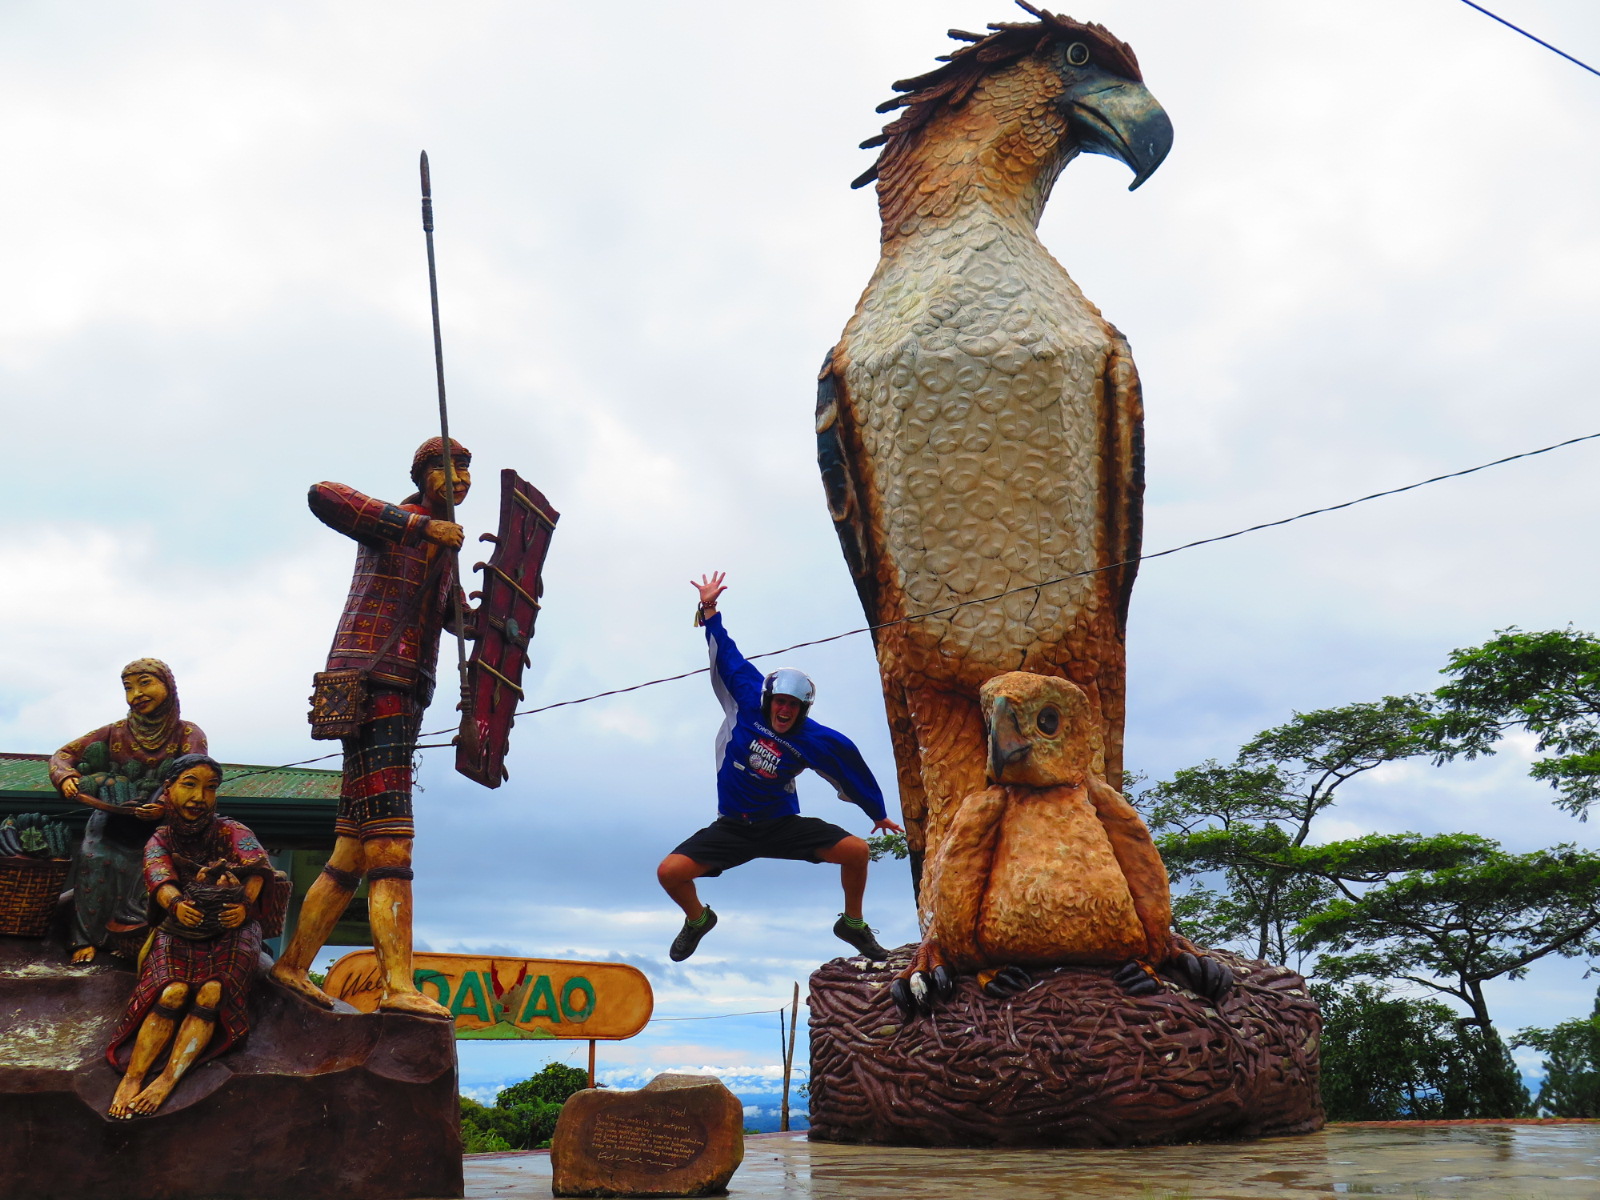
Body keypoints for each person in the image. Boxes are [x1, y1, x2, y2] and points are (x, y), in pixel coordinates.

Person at [269, 437, 474, 1018]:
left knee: (352, 848)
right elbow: (323, 494)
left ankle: (291, 964)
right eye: (446, 467)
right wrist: (421, 530)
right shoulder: (398, 523)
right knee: (391, 839)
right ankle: (398, 986)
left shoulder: (446, 545)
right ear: (422, 474)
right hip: (376, 680)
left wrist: (493, 619)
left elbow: (454, 614)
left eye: (464, 469)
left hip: (406, 690)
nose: (458, 478)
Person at [657, 572, 903, 962]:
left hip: (781, 826)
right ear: (768, 699)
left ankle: (852, 924)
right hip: (733, 827)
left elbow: (849, 765)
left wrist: (877, 811)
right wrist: (708, 609)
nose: (785, 710)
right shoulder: (747, 698)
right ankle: (698, 919)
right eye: (780, 702)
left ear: (803, 710)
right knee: (669, 872)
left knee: (857, 851)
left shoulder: (814, 739)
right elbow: (728, 654)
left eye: (794, 706)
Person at [106, 754, 272, 1118]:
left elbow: (258, 869)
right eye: (190, 784)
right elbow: (158, 877)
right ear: (169, 789)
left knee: (212, 992)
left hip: (231, 927)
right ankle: (134, 1077)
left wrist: (244, 905)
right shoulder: (161, 837)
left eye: (210, 788)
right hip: (180, 928)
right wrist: (176, 903)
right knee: (173, 991)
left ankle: (168, 1078)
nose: (200, 796)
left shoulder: (232, 829)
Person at [49, 658, 208, 963]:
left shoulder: (188, 733)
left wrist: (162, 806)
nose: (136, 693)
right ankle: (87, 937)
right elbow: (63, 755)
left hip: (164, 824)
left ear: (168, 686)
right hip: (111, 816)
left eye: (145, 683)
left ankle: (139, 934)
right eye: (128, 687)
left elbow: (194, 774)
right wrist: (65, 775)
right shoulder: (114, 732)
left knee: (154, 865)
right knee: (94, 857)